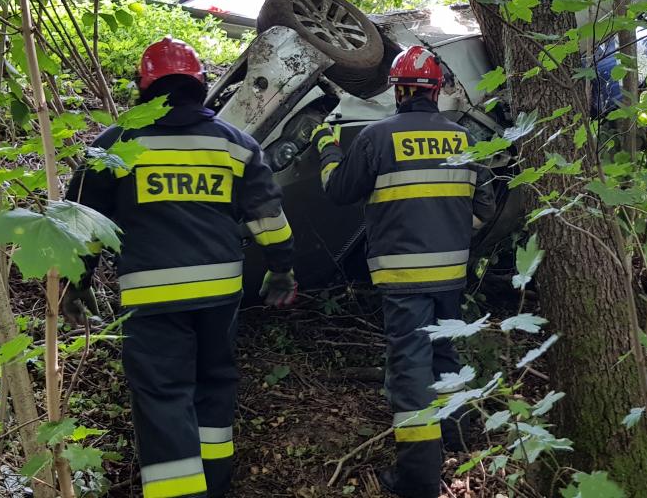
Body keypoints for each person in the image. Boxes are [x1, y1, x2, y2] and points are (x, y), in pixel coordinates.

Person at [64, 37, 299, 498]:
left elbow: (85, 225)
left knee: (163, 398)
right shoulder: (236, 145)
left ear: (143, 88)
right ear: (202, 86)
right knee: (214, 384)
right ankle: (214, 487)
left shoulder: (115, 146)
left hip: (151, 298)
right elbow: (268, 220)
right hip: (219, 295)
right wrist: (281, 270)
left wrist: (78, 283)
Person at [312, 45, 496, 498]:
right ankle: (456, 437)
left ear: (397, 91)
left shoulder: (377, 138)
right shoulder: (464, 139)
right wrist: (450, 235)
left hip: (402, 279)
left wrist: (327, 149)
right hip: (451, 274)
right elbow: (485, 206)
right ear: (437, 91)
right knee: (446, 356)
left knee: (411, 372)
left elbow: (338, 191)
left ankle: (418, 480)